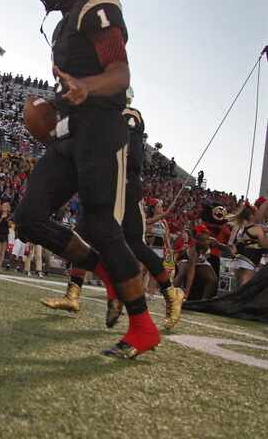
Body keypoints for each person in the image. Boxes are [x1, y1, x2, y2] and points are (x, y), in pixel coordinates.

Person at [14, 0, 159, 358]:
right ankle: (106, 275)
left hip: (101, 127)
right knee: (28, 218)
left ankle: (143, 327)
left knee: (101, 224)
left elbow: (120, 74)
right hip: (69, 131)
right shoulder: (60, 31)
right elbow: (69, 88)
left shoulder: (97, 7)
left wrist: (86, 89)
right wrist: (50, 107)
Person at [41, 102, 185, 330]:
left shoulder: (129, 115)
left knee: (134, 245)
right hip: (103, 186)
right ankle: (73, 294)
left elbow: (130, 158)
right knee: (81, 238)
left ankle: (170, 293)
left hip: (125, 187)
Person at [175, 225, 222, 300]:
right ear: (197, 238)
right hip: (186, 260)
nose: (206, 236)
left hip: (200, 260)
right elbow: (191, 272)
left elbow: (221, 246)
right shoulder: (193, 248)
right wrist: (187, 292)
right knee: (182, 273)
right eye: (203, 233)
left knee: (213, 279)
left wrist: (231, 251)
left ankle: (204, 300)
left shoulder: (211, 241)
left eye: (206, 233)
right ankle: (171, 293)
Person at [229, 202, 268, 287]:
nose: (259, 215)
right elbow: (265, 245)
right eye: (257, 213)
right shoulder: (257, 229)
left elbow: (231, 243)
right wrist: (264, 234)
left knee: (237, 288)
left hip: (238, 259)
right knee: (245, 290)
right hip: (250, 260)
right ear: (251, 216)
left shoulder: (239, 226)